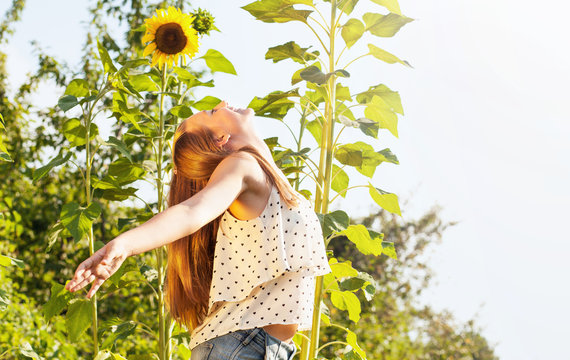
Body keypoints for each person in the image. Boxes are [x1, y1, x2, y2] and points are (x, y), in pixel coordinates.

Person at [65, 100, 332, 359]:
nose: (225, 103)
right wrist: (123, 245)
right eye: (214, 111)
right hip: (239, 346)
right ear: (220, 138)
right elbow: (192, 211)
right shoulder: (243, 165)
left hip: (259, 347)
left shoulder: (269, 179)